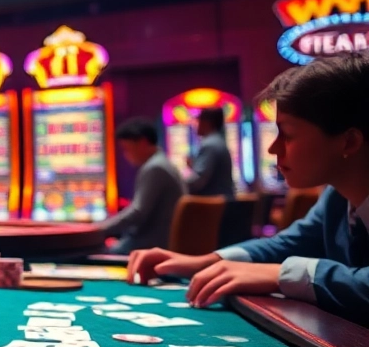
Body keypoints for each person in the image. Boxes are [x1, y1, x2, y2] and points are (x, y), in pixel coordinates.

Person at [127, 52, 369, 325]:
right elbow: (290, 243)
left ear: (348, 142)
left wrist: (280, 275)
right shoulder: (336, 195)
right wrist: (206, 261)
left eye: (287, 134)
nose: (272, 148)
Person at [96, 117, 185, 254]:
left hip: (151, 246)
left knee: (86, 254)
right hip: (155, 241)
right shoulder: (162, 163)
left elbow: (138, 212)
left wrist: (98, 229)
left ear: (143, 142)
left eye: (127, 149)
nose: (126, 155)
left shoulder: (155, 168)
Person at [186, 107, 235, 197]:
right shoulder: (217, 141)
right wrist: (193, 166)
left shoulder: (209, 145)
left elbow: (198, 181)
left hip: (216, 206)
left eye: (198, 121)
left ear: (207, 123)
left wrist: (176, 182)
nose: (195, 125)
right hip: (223, 202)